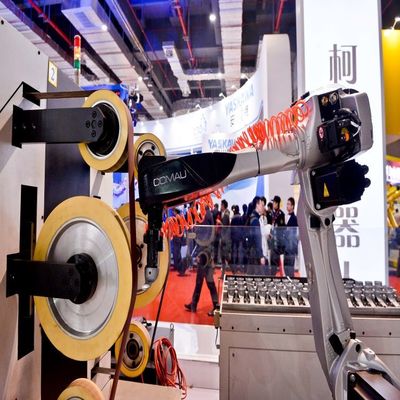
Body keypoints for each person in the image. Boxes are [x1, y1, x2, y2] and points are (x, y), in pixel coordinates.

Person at [185, 206, 219, 316]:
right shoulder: (207, 214)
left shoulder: (205, 214)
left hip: (204, 253)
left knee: (208, 282)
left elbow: (203, 235)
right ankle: (195, 304)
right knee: (201, 281)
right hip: (205, 252)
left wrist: (200, 253)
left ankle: (215, 306)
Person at [246, 196, 269, 275]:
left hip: (252, 251)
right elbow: (257, 238)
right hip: (255, 253)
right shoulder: (255, 220)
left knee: (251, 275)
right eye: (262, 205)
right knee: (258, 276)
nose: (263, 207)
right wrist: (261, 255)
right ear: (257, 205)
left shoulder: (253, 217)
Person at [270, 195, 285, 276]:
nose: (273, 204)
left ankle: (277, 276)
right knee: (272, 260)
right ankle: (273, 275)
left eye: (274, 202)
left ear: (277, 203)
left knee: (277, 260)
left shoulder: (281, 214)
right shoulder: (272, 213)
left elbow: (282, 229)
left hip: (278, 242)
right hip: (272, 241)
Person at [284, 197, 298, 277]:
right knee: (286, 268)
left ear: (292, 206)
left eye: (289, 204)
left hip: (291, 247)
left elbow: (294, 235)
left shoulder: (295, 219)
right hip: (286, 247)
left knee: (290, 269)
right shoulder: (285, 217)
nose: (287, 206)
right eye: (287, 204)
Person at [172, 208, 185, 276]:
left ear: (175, 211)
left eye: (173, 211)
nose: (173, 212)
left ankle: (176, 266)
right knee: (178, 252)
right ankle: (178, 265)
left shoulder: (176, 218)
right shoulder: (180, 217)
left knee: (176, 252)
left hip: (176, 236)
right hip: (179, 236)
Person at [230, 205, 243, 274]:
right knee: (239, 253)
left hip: (234, 237)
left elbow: (231, 227)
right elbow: (242, 227)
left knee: (234, 252)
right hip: (240, 236)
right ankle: (239, 267)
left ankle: (234, 268)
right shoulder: (240, 217)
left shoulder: (233, 218)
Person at [219, 199, 231, 275]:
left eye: (221, 205)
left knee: (224, 256)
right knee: (223, 256)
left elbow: (225, 227)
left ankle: (231, 268)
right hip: (224, 238)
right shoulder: (225, 213)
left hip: (224, 238)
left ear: (223, 205)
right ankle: (223, 273)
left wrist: (220, 222)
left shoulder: (226, 215)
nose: (220, 206)